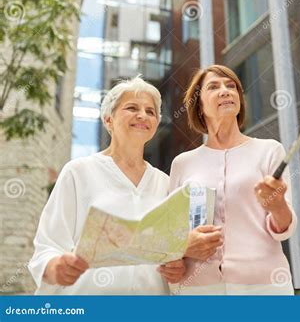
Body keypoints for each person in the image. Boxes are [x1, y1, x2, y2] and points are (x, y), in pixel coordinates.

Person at [28, 75, 221, 294]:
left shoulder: (166, 183)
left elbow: (172, 254)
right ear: (108, 120)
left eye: (150, 111)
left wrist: (177, 267)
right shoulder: (78, 172)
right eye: (132, 108)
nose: (142, 115)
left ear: (156, 124)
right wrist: (54, 267)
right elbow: (48, 245)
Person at [169, 65, 297, 295]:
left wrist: (277, 205)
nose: (226, 91)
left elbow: (284, 229)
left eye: (231, 86)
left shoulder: (268, 150)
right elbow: (172, 233)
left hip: (263, 288)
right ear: (199, 106)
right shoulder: (182, 163)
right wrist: (174, 259)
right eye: (213, 87)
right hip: (198, 291)